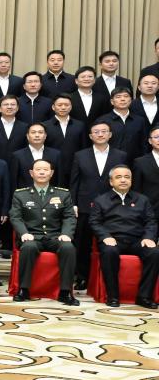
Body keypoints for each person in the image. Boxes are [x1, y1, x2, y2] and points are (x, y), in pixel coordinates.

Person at [9, 159, 79, 305]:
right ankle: (23, 289)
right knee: (28, 247)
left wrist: (66, 233)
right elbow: (15, 217)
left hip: (55, 237)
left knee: (68, 248)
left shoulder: (63, 194)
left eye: (45, 170)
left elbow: (69, 216)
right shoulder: (20, 195)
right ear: (31, 173)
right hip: (32, 236)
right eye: (38, 169)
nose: (42, 172)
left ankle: (65, 292)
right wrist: (23, 233)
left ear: (51, 173)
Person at [89, 165, 158, 309]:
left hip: (137, 240)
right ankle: (113, 296)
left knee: (154, 253)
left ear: (131, 181)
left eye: (127, 177)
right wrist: (105, 236)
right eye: (118, 177)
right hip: (113, 240)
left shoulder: (142, 200)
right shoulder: (101, 200)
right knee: (109, 251)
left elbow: (151, 221)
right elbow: (94, 222)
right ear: (111, 181)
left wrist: (149, 237)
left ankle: (144, 296)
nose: (123, 180)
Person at [70, 120, 127, 288]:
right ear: (90, 136)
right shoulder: (80, 155)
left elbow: (125, 181)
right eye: (96, 132)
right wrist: (73, 203)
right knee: (83, 243)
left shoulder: (120, 155)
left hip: (113, 206)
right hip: (85, 205)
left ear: (110, 134)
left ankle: (106, 277)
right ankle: (82, 277)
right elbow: (74, 181)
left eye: (104, 131)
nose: (100, 134)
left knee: (110, 241)